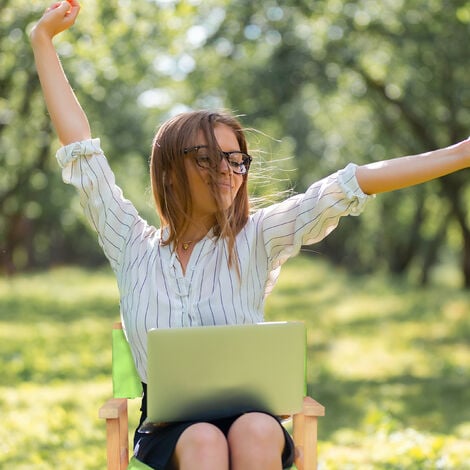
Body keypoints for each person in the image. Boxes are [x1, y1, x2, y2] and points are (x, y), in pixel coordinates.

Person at [30, 2, 470, 470]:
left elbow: (351, 183)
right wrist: (42, 39)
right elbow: (80, 149)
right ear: (170, 170)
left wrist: (462, 154)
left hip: (251, 422)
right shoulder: (130, 245)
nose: (226, 171)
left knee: (257, 428)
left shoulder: (258, 237)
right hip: (170, 436)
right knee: (203, 441)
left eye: (236, 159)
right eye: (206, 158)